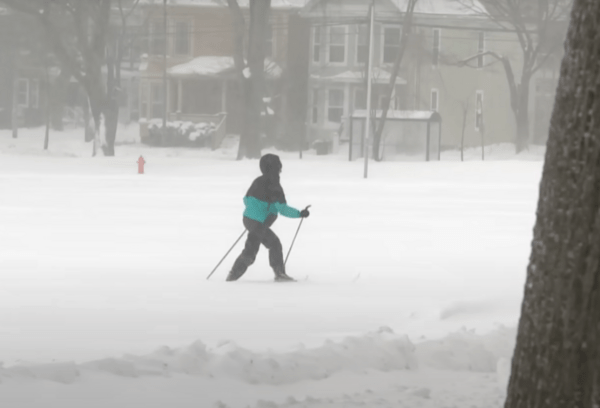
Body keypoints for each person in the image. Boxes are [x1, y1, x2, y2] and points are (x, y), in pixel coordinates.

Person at [227, 154, 310, 282]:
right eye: (279, 167)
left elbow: (246, 199)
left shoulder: (257, 181)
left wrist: (254, 214)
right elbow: (282, 209)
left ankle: (234, 275)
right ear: (277, 168)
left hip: (249, 219)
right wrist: (300, 214)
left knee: (271, 244)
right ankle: (233, 277)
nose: (280, 170)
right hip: (258, 223)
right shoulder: (274, 185)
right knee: (253, 251)